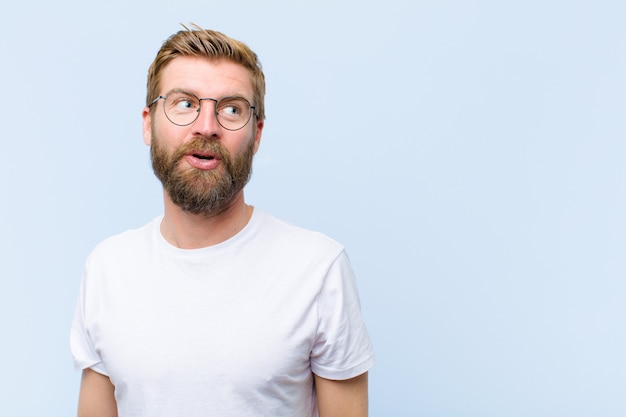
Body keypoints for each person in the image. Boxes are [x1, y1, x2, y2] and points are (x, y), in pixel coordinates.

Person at [70, 25, 374, 417]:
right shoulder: (107, 268)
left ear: (257, 134)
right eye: (185, 103)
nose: (207, 126)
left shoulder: (318, 269)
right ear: (148, 124)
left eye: (232, 109)